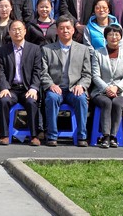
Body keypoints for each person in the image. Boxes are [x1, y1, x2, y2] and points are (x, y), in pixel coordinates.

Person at [41, 15, 93, 147]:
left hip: (74, 89)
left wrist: (81, 85)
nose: (65, 31)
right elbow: (43, 72)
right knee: (51, 98)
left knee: (81, 98)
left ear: (73, 30)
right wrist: (51, 85)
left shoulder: (83, 49)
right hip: (56, 88)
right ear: (57, 30)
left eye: (68, 28)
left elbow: (87, 74)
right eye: (62, 28)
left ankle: (82, 136)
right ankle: (52, 136)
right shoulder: (47, 49)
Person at [0, 20, 43, 146]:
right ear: (9, 32)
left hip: (27, 88)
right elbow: (0, 71)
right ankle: (5, 135)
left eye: (20, 29)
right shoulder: (3, 50)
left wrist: (34, 88)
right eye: (14, 29)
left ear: (25, 31)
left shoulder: (35, 49)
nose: (17, 32)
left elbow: (37, 71)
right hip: (11, 88)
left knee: (32, 102)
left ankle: (34, 136)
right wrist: (4, 87)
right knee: (3, 101)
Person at [90, 25, 123, 148]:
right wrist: (107, 88)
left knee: (117, 103)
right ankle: (105, 136)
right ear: (105, 37)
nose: (114, 37)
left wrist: (116, 88)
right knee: (107, 103)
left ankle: (113, 136)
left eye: (117, 34)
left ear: (121, 37)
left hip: (120, 91)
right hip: (100, 91)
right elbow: (95, 75)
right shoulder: (98, 53)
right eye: (110, 34)